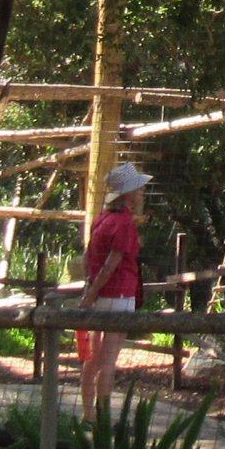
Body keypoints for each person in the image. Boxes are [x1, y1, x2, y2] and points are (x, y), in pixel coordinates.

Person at [78, 163, 148, 416]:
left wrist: (90, 289)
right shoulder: (124, 222)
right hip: (119, 297)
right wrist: (93, 292)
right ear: (128, 193)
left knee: (93, 359)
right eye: (139, 189)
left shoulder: (102, 218)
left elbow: (88, 257)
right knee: (108, 362)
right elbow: (111, 264)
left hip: (101, 298)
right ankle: (103, 419)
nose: (142, 193)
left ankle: (88, 415)